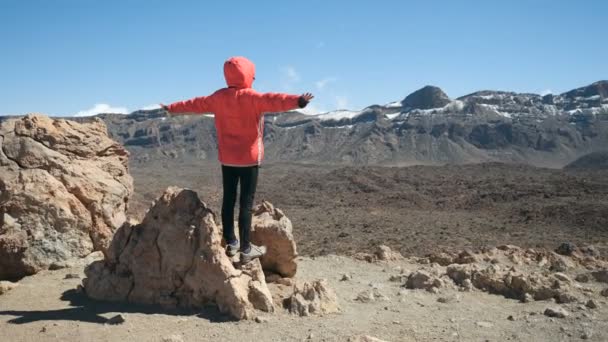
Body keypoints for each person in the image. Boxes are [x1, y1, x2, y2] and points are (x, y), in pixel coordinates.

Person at [160, 56, 314, 263]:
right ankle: (246, 249)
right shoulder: (253, 97)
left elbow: (194, 104)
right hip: (249, 160)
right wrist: (299, 101)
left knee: (229, 200)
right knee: (245, 203)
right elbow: (275, 100)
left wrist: (172, 108)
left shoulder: (218, 98)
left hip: (228, 158)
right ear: (249, 75)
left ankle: (231, 242)